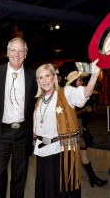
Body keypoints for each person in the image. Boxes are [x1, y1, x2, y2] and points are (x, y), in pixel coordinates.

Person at [33, 59, 101, 198]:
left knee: (62, 191)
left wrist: (94, 75)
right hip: (41, 151)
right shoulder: (40, 99)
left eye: (47, 76)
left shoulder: (65, 92)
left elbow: (84, 94)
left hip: (60, 150)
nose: (44, 80)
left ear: (54, 77)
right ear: (38, 81)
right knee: (47, 189)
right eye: (41, 77)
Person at [0, 37, 38, 198]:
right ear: (8, 52)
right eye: (13, 50)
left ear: (25, 54)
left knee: (20, 175)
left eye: (21, 50)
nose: (17, 54)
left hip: (23, 133)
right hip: (1, 132)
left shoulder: (33, 76)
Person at [65, 70, 108, 187]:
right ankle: (70, 181)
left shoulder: (77, 93)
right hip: (71, 128)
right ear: (74, 82)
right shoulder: (68, 94)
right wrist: (85, 110)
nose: (82, 81)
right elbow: (73, 114)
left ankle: (92, 177)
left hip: (79, 126)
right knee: (72, 155)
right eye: (79, 80)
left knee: (83, 151)